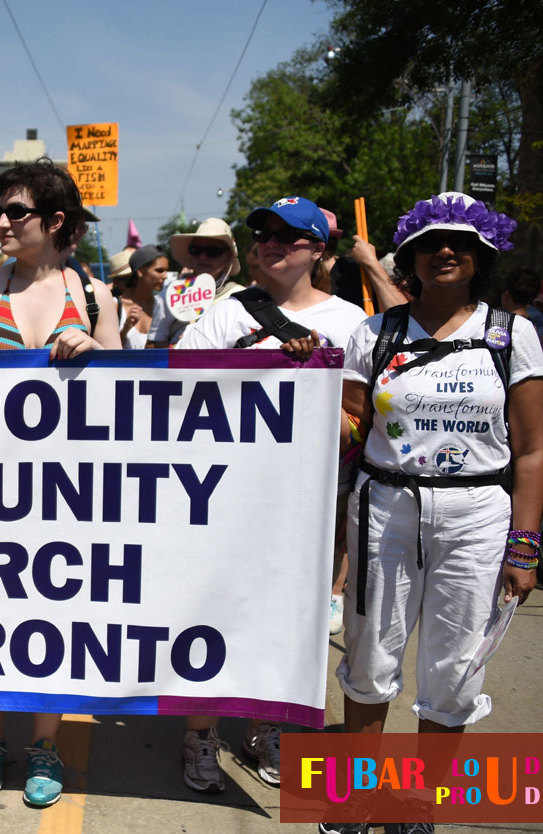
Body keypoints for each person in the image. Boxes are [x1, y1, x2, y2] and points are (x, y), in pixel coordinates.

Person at [327, 193, 543, 834]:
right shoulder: (376, 333)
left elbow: (531, 451)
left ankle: (417, 805)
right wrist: (304, 376)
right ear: (411, 256)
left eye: (460, 243)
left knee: (452, 670)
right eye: (430, 243)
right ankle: (356, 800)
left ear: (480, 256)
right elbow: (346, 431)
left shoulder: (512, 334)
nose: (444, 251)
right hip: (383, 508)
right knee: (369, 659)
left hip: (477, 514)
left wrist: (524, 545)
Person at [0, 158, 121, 808]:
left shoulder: (95, 294)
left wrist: (96, 351)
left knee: (55, 617)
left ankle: (44, 741)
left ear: (53, 220)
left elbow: (129, 391)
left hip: (66, 493)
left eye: (14, 211)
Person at [177, 196, 366, 792]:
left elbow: (357, 430)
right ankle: (200, 734)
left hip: (302, 508)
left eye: (290, 235)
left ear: (320, 251)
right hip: (219, 496)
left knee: (282, 620)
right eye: (262, 233)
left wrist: (308, 382)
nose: (271, 242)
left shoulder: (351, 323)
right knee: (208, 611)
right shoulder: (223, 316)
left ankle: (267, 726)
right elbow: (172, 395)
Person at [146, 218, 245, 348]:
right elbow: (152, 345)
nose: (203, 257)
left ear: (229, 256)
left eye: (213, 251)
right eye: (196, 250)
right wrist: (174, 348)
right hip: (178, 367)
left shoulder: (241, 296)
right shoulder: (171, 292)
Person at [119, 245, 167, 349]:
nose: (165, 276)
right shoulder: (116, 305)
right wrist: (125, 329)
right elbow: (107, 350)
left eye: (166, 270)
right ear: (140, 272)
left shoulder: (163, 306)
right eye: (159, 270)